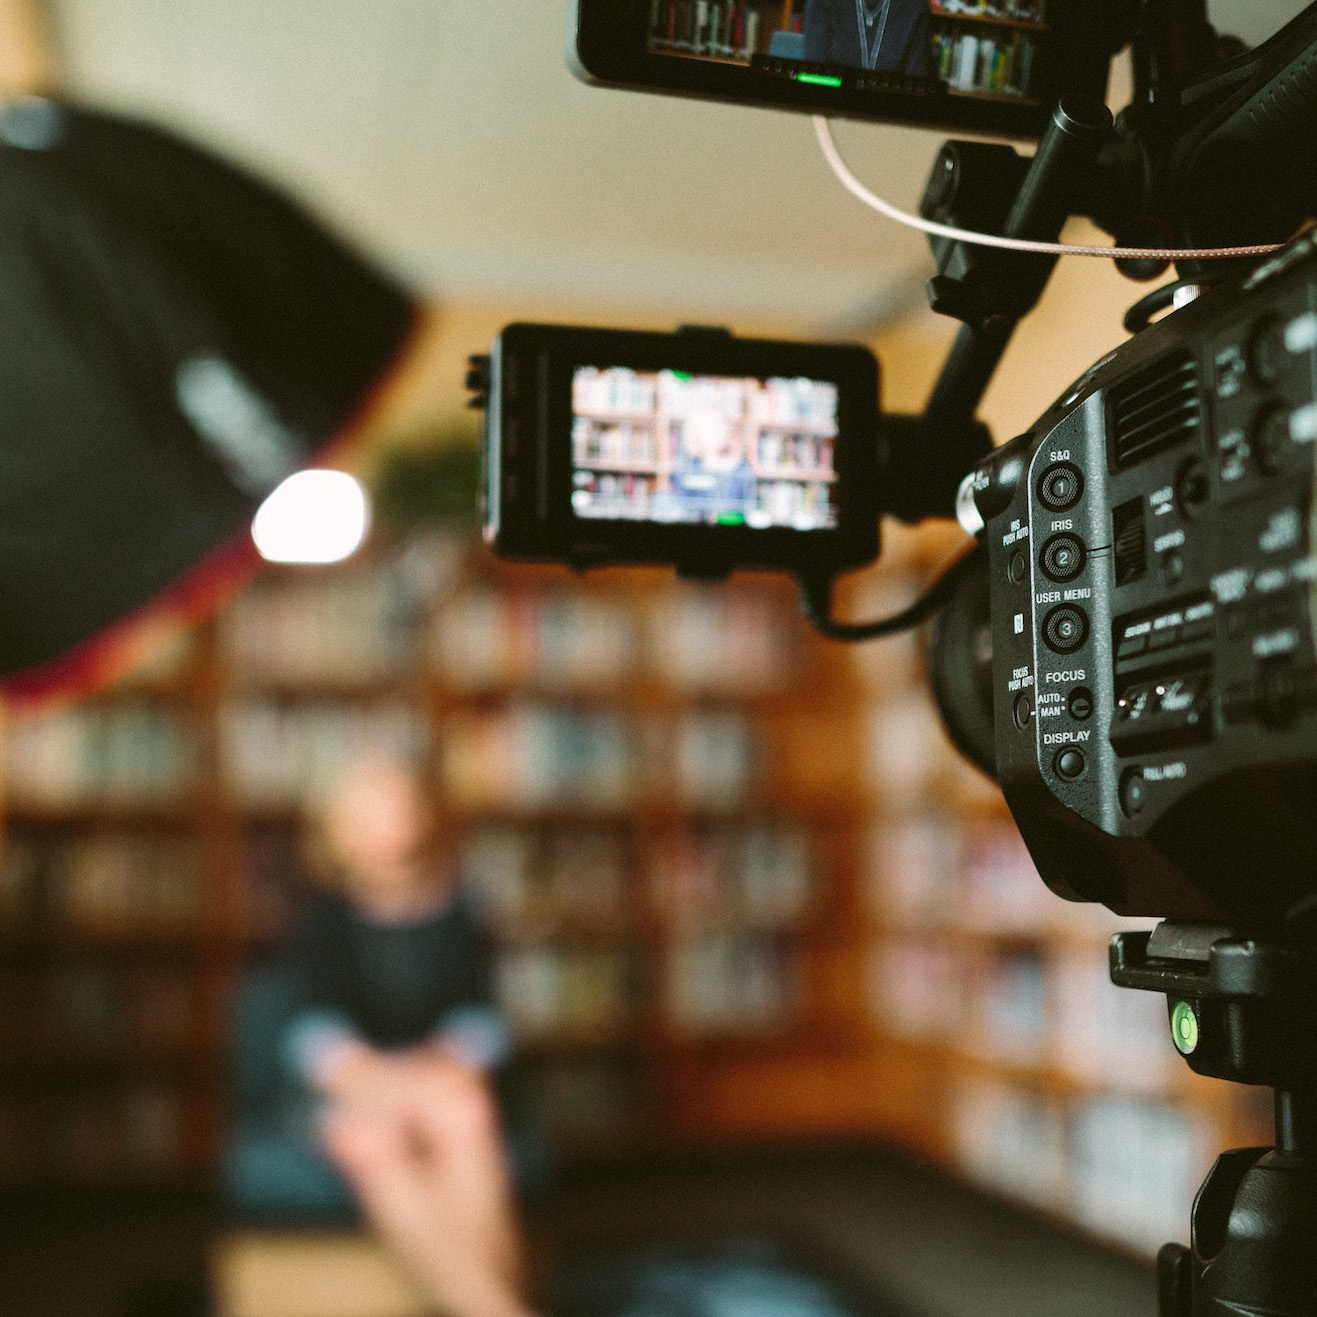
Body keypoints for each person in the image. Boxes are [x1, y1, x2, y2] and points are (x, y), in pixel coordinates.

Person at [225, 751, 518, 1224]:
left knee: (465, 1119)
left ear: (419, 816)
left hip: (437, 1079)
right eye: (364, 815)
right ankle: (495, 1305)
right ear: (335, 831)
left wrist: (438, 1067)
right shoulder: (321, 918)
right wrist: (374, 1080)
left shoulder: (460, 911)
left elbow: (482, 1018)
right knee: (374, 1140)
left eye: (392, 809)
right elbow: (311, 1028)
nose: (382, 827)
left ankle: (495, 1299)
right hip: (353, 1088)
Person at [802, 0, 933, 77]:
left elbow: (917, 86)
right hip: (831, 109)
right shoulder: (823, 2)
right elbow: (815, 75)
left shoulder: (916, 7)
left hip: (891, 114)